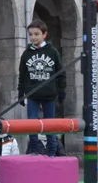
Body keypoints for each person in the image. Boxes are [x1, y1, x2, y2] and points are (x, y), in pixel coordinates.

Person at [17, 20, 66, 156]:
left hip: (49, 94)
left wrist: (61, 90)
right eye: (30, 34)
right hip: (32, 94)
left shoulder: (52, 52)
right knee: (32, 123)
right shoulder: (26, 54)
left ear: (44, 34)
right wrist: (21, 92)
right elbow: (22, 75)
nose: (33, 37)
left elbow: (61, 73)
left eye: (36, 34)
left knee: (50, 124)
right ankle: (34, 150)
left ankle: (52, 152)